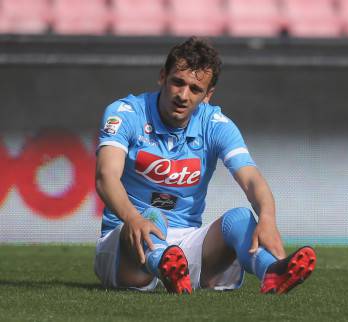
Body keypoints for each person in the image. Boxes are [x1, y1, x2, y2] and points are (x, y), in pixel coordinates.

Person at [94, 37, 316, 295]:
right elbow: (105, 176)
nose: (183, 95)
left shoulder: (215, 124)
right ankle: (162, 264)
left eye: (195, 89)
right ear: (162, 76)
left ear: (207, 95)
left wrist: (267, 217)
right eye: (177, 82)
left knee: (241, 218)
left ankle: (271, 271)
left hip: (184, 249)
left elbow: (251, 178)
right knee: (152, 215)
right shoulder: (126, 112)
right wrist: (132, 217)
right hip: (126, 247)